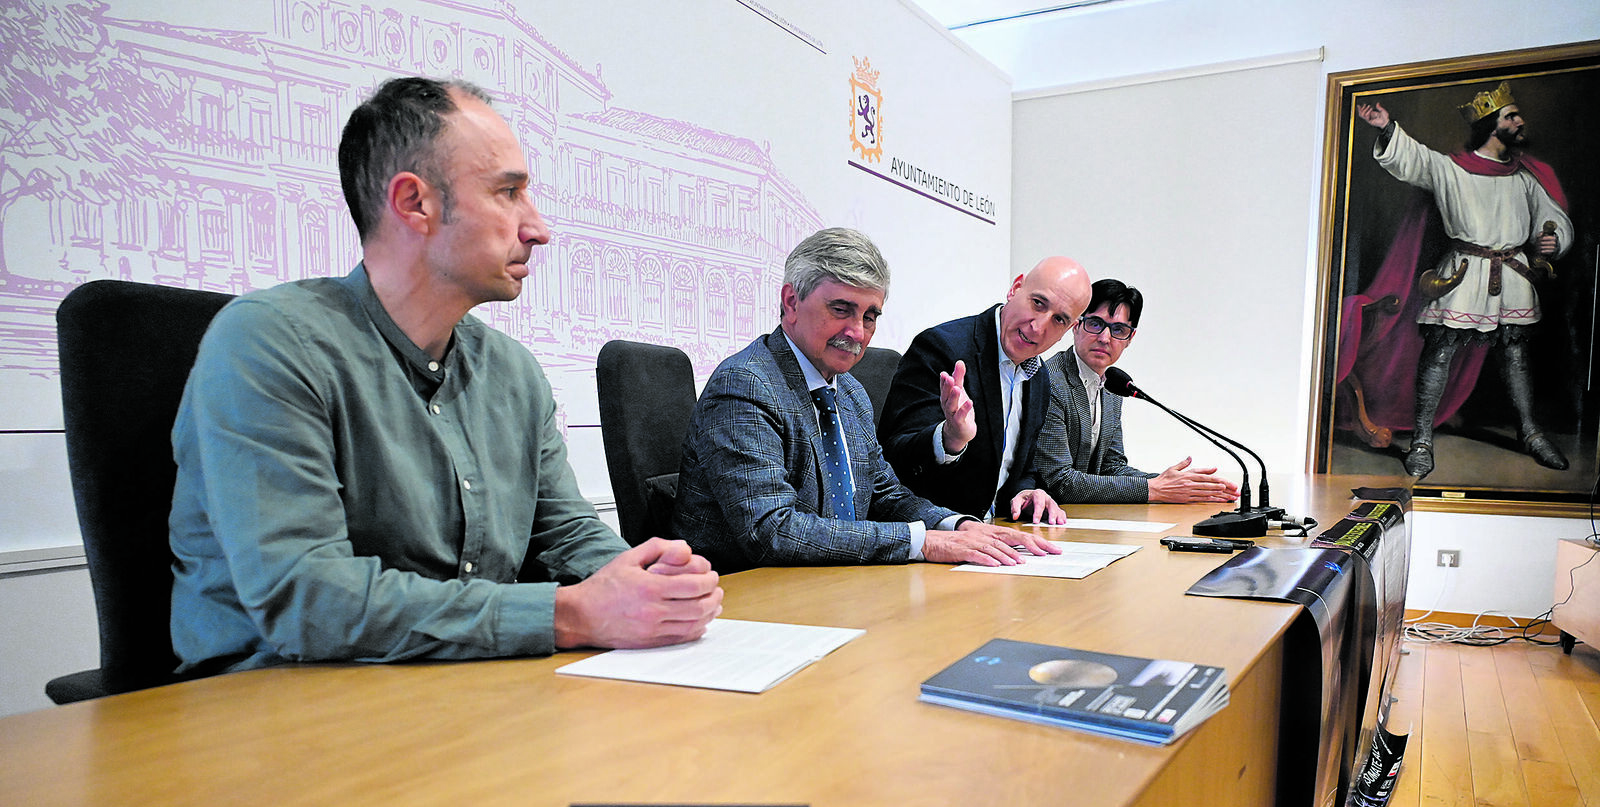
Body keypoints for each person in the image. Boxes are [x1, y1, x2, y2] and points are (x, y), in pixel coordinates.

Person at [169, 77, 722, 675]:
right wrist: (569, 614)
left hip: (455, 683)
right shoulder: (269, 342)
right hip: (276, 707)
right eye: (508, 192)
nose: (538, 228)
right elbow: (308, 600)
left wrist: (646, 582)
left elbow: (563, 532)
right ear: (414, 204)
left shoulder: (512, 371)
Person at [670, 227, 1060, 573]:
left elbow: (885, 495)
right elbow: (772, 529)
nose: (857, 332)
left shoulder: (851, 392)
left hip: (829, 583)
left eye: (870, 316)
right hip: (744, 598)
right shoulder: (745, 384)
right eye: (841, 310)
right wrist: (923, 543)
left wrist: (957, 525)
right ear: (791, 302)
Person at [1352, 82, 1573, 478]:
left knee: (1516, 356)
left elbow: (1551, 216)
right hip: (1463, 274)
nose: (1519, 121)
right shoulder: (1450, 168)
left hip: (1513, 275)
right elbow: (1413, 159)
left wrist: (1553, 238)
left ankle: (1530, 432)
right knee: (1439, 353)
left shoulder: (1525, 177)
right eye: (1511, 116)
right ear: (1492, 125)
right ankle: (1421, 441)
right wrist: (1387, 128)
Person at [876, 256, 1092, 524]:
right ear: (1015, 288)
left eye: (1058, 319)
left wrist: (1026, 491)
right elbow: (892, 460)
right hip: (934, 535)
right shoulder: (942, 348)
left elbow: (1020, 467)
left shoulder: (1039, 377)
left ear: (1069, 330)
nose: (1039, 326)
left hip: (994, 535)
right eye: (1038, 303)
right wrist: (948, 439)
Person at [1032, 279, 1239, 504]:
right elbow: (1059, 482)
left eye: (1118, 329)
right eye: (1095, 324)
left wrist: (1177, 484)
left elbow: (1111, 468)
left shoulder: (1112, 385)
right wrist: (1154, 488)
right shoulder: (1050, 381)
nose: (1104, 338)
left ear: (1130, 338)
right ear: (1075, 325)